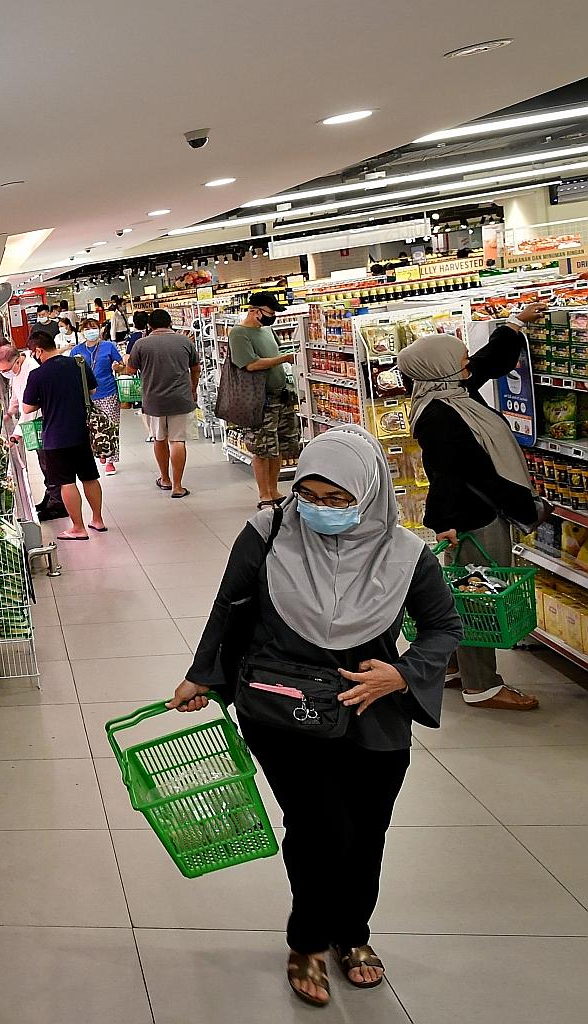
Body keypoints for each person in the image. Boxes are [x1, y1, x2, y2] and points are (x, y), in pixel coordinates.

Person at [168, 426, 463, 1008]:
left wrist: (400, 674)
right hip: (283, 707)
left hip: (371, 709)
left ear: (370, 493)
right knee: (320, 826)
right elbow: (229, 606)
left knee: (367, 828)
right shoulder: (268, 532)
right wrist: (203, 674)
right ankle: (307, 941)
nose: (319, 511)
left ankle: (352, 934)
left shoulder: (407, 554)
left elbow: (443, 627)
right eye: (309, 496)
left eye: (337, 500)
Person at [396, 305, 554, 711]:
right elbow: (460, 476)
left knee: (460, 593)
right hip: (472, 517)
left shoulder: (450, 387)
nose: (469, 367)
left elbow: (490, 360)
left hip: (471, 513)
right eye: (461, 362)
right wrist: (528, 507)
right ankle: (482, 685)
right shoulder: (438, 415)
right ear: (441, 368)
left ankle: (451, 668)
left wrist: (517, 323)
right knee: (478, 599)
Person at [21, 331, 106, 540]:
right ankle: (97, 519)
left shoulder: (37, 375)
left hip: (55, 436)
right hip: (81, 430)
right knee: (89, 477)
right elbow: (93, 390)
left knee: (66, 482)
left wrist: (47, 399)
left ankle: (78, 528)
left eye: (34, 352)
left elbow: (27, 408)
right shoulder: (78, 363)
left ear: (38, 350)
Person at [230, 291, 302, 509]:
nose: (273, 317)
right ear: (255, 311)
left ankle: (274, 490)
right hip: (259, 399)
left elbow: (275, 352)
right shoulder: (239, 334)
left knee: (278, 446)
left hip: (281, 394)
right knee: (261, 448)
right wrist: (284, 359)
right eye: (270, 312)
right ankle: (264, 494)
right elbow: (250, 364)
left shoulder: (267, 330)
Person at [116, 308, 198, 497]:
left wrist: (119, 367)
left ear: (149, 325)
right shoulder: (185, 341)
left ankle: (165, 479)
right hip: (181, 397)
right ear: (170, 322)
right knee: (177, 440)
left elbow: (130, 370)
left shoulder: (141, 344)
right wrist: (193, 389)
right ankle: (178, 487)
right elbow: (195, 368)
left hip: (153, 400)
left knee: (159, 439)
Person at [0, 339, 65, 520]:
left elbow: (29, 409)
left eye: (5, 370)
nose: (4, 374)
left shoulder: (32, 371)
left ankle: (58, 503)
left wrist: (15, 436)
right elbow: (16, 393)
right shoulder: (18, 370)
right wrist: (10, 411)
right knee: (44, 462)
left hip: (42, 420)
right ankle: (51, 497)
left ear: (17, 361)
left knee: (49, 462)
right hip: (35, 422)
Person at [75, 317, 124, 475]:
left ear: (99, 329)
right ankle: (99, 451)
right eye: (87, 328)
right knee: (90, 427)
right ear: (82, 332)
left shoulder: (109, 346)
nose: (91, 331)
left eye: (93, 327)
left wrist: (118, 367)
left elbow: (121, 365)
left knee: (111, 425)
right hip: (86, 395)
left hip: (108, 391)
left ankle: (111, 460)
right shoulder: (76, 351)